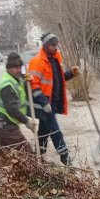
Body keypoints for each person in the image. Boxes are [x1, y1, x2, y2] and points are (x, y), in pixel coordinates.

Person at [28, 33, 80, 165]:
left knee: (44, 130)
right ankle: (65, 157)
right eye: (53, 45)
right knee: (55, 129)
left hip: (54, 101)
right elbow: (34, 84)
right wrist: (44, 102)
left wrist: (71, 74)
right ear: (45, 46)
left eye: (57, 45)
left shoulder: (56, 59)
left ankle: (38, 156)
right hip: (43, 103)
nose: (56, 47)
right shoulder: (37, 61)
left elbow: (59, 79)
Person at [0, 53, 38, 153]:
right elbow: (11, 109)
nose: (18, 70)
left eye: (20, 67)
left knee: (5, 157)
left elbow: (24, 94)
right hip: (5, 125)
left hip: (4, 124)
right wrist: (27, 122)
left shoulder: (16, 78)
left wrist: (27, 82)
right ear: (9, 68)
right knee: (27, 154)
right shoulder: (7, 84)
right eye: (15, 68)